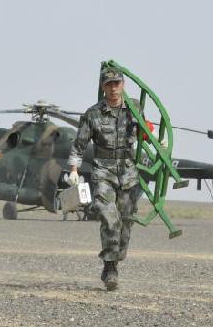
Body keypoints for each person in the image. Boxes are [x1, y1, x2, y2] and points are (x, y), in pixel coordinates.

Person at [67, 66, 145, 290]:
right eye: (109, 84)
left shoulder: (134, 108)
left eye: (117, 83)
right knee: (109, 217)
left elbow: (143, 132)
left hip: (129, 171)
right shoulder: (93, 114)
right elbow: (79, 145)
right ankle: (110, 267)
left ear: (122, 85)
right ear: (103, 87)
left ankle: (116, 258)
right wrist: (74, 170)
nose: (113, 88)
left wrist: (154, 139)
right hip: (103, 170)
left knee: (126, 221)